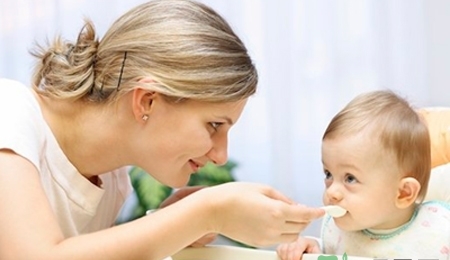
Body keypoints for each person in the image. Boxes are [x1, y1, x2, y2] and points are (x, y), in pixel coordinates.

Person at [0, 0, 325, 259]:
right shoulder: (9, 112)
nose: (221, 155)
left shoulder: (112, 180)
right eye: (214, 125)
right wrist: (204, 213)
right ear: (147, 101)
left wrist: (168, 224)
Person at [277, 90, 450, 260]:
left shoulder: (439, 232)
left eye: (350, 178)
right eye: (328, 174)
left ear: (404, 193)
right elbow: (331, 254)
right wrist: (311, 248)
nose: (331, 192)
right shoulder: (338, 232)